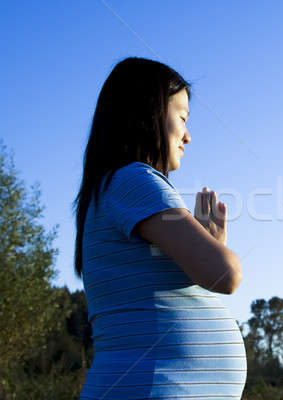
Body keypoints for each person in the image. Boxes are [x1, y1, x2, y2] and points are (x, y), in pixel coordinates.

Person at [72, 57, 246, 399]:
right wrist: (218, 249)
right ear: (146, 114)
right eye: (182, 118)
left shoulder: (114, 186)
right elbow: (225, 274)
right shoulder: (135, 180)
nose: (188, 136)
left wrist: (207, 243)